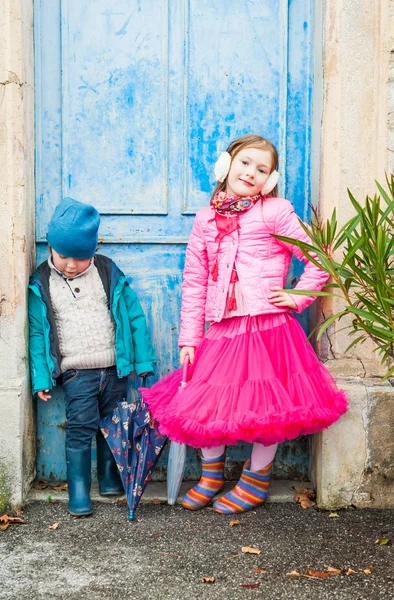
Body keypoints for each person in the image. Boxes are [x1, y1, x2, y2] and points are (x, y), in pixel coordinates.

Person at [141, 133, 348, 514]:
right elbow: (195, 279)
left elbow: (319, 256)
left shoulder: (276, 211)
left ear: (270, 180)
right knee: (206, 402)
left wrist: (298, 297)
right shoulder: (206, 219)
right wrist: (189, 336)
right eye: (245, 163)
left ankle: (255, 480)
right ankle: (211, 476)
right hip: (223, 328)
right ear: (227, 165)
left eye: (262, 169)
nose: (251, 173)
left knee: (270, 408)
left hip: (269, 328)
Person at [29, 198, 155, 516]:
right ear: (50, 247)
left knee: (111, 425)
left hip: (114, 368)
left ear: (93, 251)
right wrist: (41, 378)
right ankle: (80, 490)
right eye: (64, 256)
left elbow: (134, 316)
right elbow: (37, 335)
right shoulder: (42, 282)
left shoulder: (106, 272)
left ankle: (110, 478)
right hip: (76, 374)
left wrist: (143, 363)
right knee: (80, 428)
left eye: (81, 257)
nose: (71, 264)